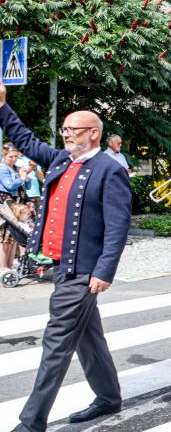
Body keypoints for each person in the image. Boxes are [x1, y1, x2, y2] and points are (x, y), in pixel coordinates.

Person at [0, 81, 131, 431]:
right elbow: (25, 140)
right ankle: (108, 398)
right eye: (64, 129)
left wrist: (104, 271)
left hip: (83, 272)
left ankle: (31, 423)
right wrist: (2, 107)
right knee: (89, 338)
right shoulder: (62, 159)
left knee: (56, 344)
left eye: (73, 130)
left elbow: (118, 227)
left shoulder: (109, 168)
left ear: (93, 133)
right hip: (61, 266)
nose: (66, 135)